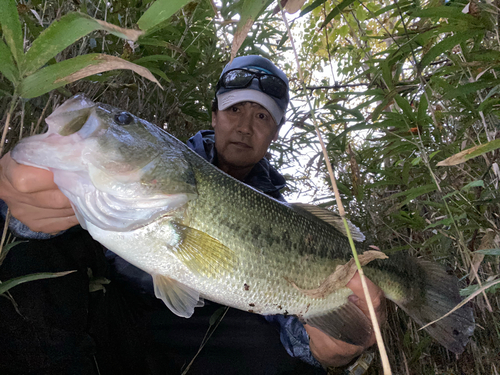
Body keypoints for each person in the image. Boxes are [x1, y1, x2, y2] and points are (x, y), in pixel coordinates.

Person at [0, 55, 385, 374]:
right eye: (235, 109)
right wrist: (21, 218)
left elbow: (283, 316)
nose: (245, 127)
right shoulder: (155, 170)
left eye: (262, 117)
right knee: (27, 257)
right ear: (214, 115)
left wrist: (329, 346)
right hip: (116, 318)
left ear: (275, 134)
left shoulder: (292, 221)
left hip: (209, 339)